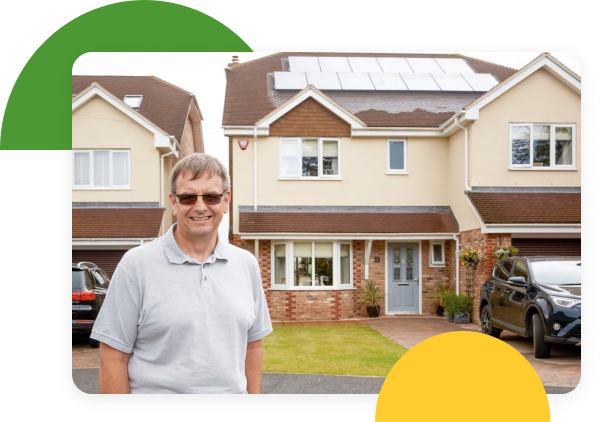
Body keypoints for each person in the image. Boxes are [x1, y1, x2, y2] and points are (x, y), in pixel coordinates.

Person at [90, 153, 273, 394]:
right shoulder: (136, 265)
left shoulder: (246, 264)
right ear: (174, 203)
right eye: (188, 197)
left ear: (226, 200)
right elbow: (113, 356)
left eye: (211, 196)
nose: (200, 207)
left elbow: (253, 346)